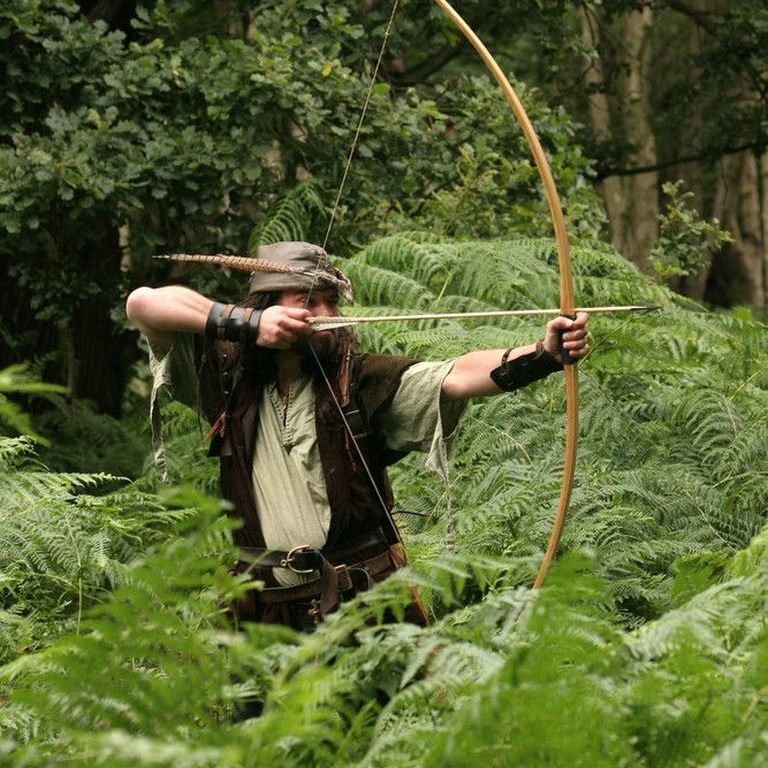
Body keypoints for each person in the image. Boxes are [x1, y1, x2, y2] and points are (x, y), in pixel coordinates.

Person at [126, 241, 589, 633]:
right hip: (263, 612)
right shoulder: (224, 374)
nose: (327, 315)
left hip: (363, 603)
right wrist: (249, 326)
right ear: (266, 307)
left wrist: (545, 353)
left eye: (332, 303)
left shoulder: (361, 379)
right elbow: (143, 304)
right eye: (307, 300)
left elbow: (456, 376)